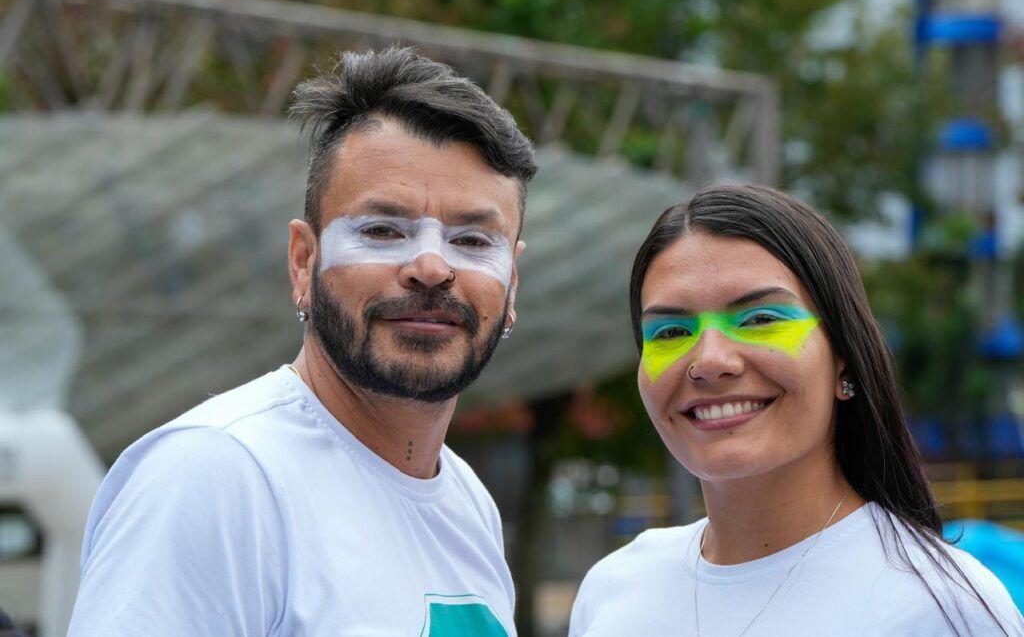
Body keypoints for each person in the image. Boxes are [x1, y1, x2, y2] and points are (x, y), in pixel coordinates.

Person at [68, 46, 536, 636]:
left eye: (472, 241)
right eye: (382, 230)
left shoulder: (468, 504)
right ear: (302, 262)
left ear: (512, 283)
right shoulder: (217, 476)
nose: (430, 265)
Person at [569, 185, 1024, 636]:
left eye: (760, 319)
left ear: (843, 354)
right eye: (669, 332)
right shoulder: (613, 590)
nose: (709, 361)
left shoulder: (943, 606)